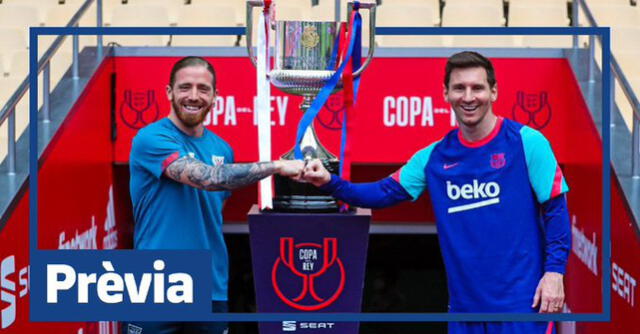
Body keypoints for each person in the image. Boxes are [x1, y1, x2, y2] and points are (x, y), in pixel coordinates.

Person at [302, 51, 571, 334]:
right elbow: (380, 193)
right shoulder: (433, 158)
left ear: (493, 92)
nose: (468, 97)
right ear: (446, 94)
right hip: (464, 311)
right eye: (459, 88)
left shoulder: (528, 142)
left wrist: (555, 272)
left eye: (477, 87)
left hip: (523, 306)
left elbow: (556, 211)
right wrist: (329, 181)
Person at [125, 56, 304, 334]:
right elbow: (210, 179)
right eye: (185, 87)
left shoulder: (222, 148)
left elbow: (212, 203)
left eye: (203, 88)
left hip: (208, 286)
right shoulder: (151, 138)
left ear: (215, 97)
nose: (193, 96)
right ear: (169, 92)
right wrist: (277, 165)